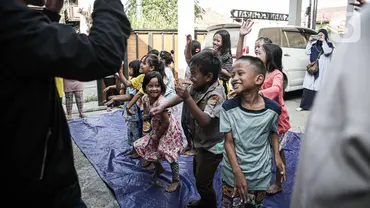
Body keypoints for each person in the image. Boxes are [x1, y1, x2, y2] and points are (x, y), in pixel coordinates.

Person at [1, 0, 131, 207]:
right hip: (40, 191)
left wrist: (50, 16)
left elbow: (33, 54)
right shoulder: (9, 21)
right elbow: (103, 53)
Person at [292, 1, 370, 208]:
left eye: (321, 34)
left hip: (341, 190)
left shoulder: (336, 42)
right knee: (309, 92)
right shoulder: (364, 23)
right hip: (313, 74)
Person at [151, 49, 226, 208]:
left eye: (193, 74)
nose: (190, 78)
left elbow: (205, 120)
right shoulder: (198, 85)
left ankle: (209, 204)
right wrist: (162, 106)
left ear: (208, 77)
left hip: (213, 146)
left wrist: (187, 97)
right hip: (200, 142)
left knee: (203, 183)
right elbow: (179, 97)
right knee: (197, 173)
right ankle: (204, 200)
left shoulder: (216, 94)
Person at [220, 56, 285, 208]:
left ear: (258, 79)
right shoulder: (228, 108)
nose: (234, 78)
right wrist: (237, 172)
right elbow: (228, 142)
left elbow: (273, 131)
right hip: (232, 173)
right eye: (233, 74)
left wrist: (277, 155)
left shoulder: (273, 109)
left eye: (240, 73)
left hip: (260, 174)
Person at [133, 71, 184, 193]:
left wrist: (157, 135)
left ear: (162, 87)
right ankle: (159, 168)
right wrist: (146, 116)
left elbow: (166, 123)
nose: (154, 89)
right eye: (150, 86)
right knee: (148, 147)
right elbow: (146, 112)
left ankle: (176, 179)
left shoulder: (162, 103)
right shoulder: (145, 98)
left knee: (169, 154)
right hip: (157, 128)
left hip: (168, 131)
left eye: (157, 86)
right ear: (144, 87)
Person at [255, 43, 290, 195]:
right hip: (264, 119)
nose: (257, 51)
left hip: (278, 121)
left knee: (278, 152)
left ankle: (278, 183)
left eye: (260, 51)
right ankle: (259, 180)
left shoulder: (277, 74)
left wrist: (259, 94)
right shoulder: (260, 71)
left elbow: (275, 90)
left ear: (270, 56)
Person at [296, 28, 334, 111]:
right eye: (319, 35)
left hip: (322, 69)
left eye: (322, 35)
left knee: (319, 88)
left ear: (325, 36)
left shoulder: (329, 44)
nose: (320, 36)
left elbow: (327, 51)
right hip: (312, 68)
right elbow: (307, 52)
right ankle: (304, 106)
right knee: (308, 87)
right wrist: (309, 41)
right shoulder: (314, 44)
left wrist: (323, 41)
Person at [181, 34, 202, 155]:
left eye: (187, 47)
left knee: (192, 123)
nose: (184, 50)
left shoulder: (197, 65)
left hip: (193, 97)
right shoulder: (190, 64)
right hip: (186, 95)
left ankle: (194, 147)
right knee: (184, 121)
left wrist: (185, 82)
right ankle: (189, 144)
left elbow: (197, 82)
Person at [213, 30, 233, 96]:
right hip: (212, 83)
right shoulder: (213, 52)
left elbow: (230, 74)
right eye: (214, 40)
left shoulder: (227, 56)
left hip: (221, 84)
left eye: (218, 41)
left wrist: (219, 68)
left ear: (224, 42)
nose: (215, 42)